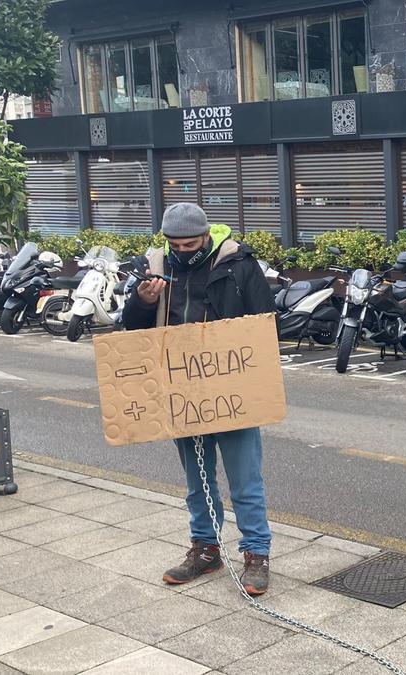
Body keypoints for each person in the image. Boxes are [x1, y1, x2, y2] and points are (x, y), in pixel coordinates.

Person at [123, 202, 277, 596]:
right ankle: (205, 548)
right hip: (181, 389)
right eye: (176, 244)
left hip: (230, 388)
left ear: (207, 236)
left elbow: (264, 322)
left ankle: (256, 555)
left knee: (245, 478)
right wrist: (142, 300)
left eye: (191, 244)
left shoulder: (239, 263)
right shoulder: (155, 266)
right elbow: (133, 328)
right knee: (197, 478)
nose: (184, 251)